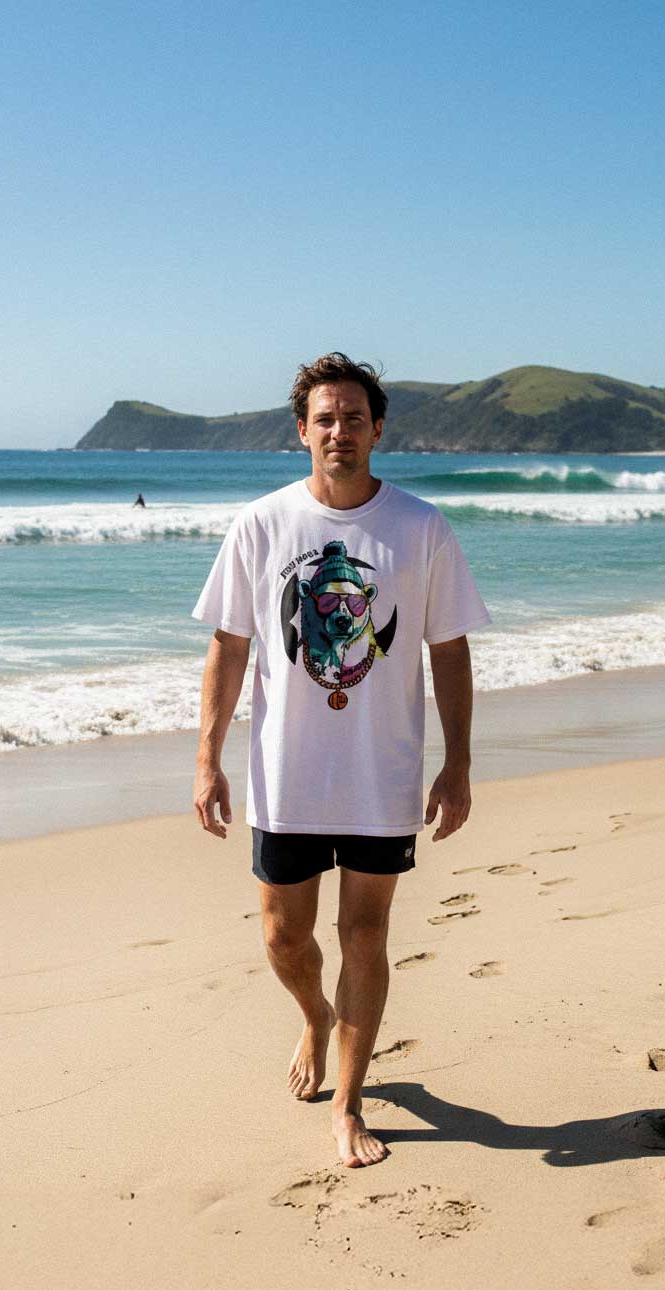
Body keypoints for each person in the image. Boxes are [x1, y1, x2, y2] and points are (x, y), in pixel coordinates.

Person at [191, 352, 491, 1167]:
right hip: (285, 776)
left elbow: (450, 649)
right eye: (325, 418)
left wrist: (457, 764)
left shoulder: (420, 527)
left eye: (354, 417)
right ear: (302, 431)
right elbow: (228, 645)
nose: (339, 431)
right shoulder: (260, 525)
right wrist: (208, 759)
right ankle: (315, 1016)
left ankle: (351, 1103)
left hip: (381, 776)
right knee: (284, 939)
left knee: (366, 933)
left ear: (377, 429)